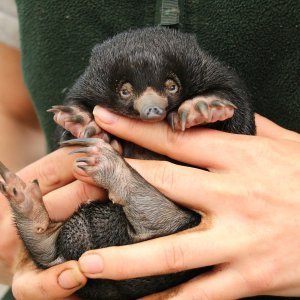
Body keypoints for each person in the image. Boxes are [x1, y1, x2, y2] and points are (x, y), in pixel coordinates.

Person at [0, 1, 299, 299]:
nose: (151, 109)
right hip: (78, 257)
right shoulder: (96, 80)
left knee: (158, 219)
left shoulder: (203, 72)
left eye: (169, 87)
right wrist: (7, 243)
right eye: (128, 93)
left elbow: (231, 101)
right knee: (54, 251)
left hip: (186, 228)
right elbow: (13, 111)